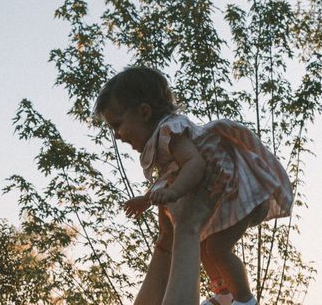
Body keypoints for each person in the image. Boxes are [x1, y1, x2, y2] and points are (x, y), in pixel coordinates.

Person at [94, 66, 293, 305]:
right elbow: (169, 177)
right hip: (222, 195)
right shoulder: (162, 141)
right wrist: (147, 200)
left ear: (144, 112)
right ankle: (224, 294)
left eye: (117, 124)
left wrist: (174, 192)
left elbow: (194, 165)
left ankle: (244, 299)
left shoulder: (170, 132)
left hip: (234, 192)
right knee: (206, 246)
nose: (116, 135)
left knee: (217, 248)